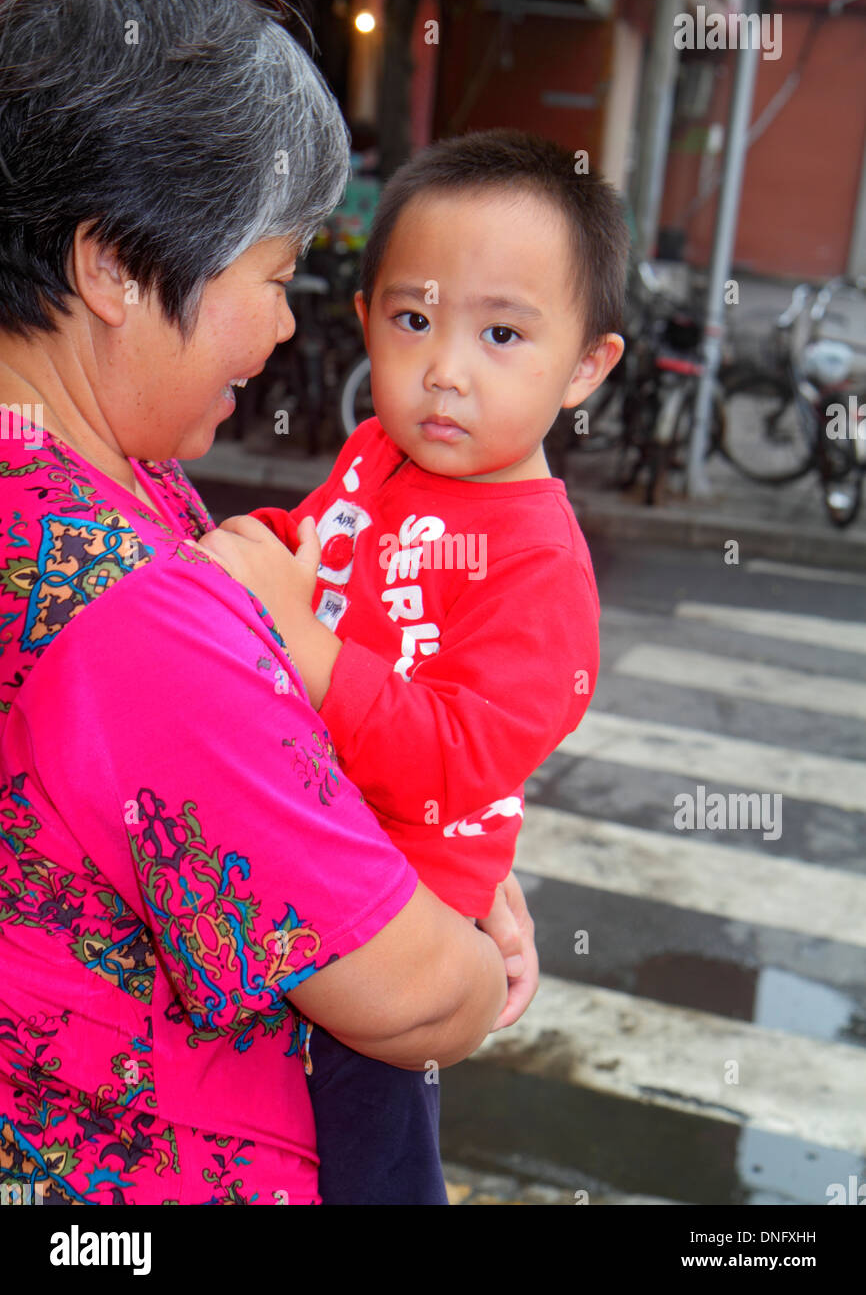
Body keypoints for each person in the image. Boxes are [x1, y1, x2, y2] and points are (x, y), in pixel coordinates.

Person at [0, 0, 513, 1207]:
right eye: (273, 276)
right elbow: (407, 999)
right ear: (112, 263)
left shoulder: (105, 476)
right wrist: (467, 945)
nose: (288, 325)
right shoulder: (131, 612)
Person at [197, 129, 628, 1203]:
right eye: (413, 320)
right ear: (365, 319)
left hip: (398, 913)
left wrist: (304, 644)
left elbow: (463, 755)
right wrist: (262, 546)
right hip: (303, 842)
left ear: (585, 365)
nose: (444, 369)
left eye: (500, 333)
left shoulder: (539, 562)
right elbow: (320, 550)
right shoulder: (379, 454)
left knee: (372, 1156)